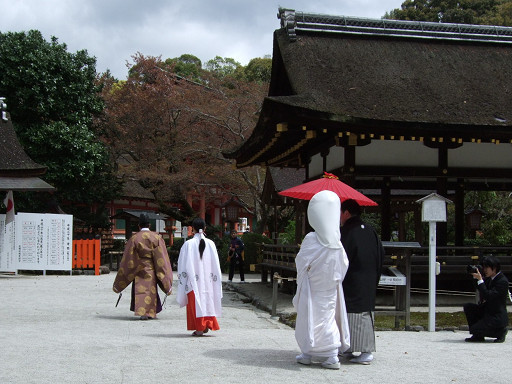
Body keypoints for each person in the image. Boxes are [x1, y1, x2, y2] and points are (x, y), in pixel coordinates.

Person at [293, 190, 350, 370]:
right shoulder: (337, 242)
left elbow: (301, 261)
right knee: (327, 317)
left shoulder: (311, 238)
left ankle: (313, 353)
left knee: (310, 317)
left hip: (312, 287)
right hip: (330, 287)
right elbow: (344, 265)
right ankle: (329, 355)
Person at [340, 198, 384, 365]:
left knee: (355, 314)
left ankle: (365, 351)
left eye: (340, 213)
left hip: (352, 278)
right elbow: (381, 254)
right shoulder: (370, 230)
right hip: (369, 278)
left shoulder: (347, 232)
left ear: (346, 213)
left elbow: (342, 257)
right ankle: (349, 348)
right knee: (363, 312)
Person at [113, 213, 173, 320]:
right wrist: (166, 279)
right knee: (151, 290)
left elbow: (128, 259)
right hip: (152, 268)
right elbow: (162, 259)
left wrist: (121, 279)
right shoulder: (157, 238)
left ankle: (143, 312)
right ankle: (151, 311)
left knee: (140, 289)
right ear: (149, 225)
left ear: (139, 225)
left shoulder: (134, 238)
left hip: (138, 268)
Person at [177, 218, 222, 336]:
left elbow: (182, 264)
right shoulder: (211, 243)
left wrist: (183, 278)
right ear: (205, 228)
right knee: (208, 301)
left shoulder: (188, 244)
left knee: (195, 303)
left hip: (193, 281)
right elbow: (216, 264)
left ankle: (199, 328)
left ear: (193, 229)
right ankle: (207, 323)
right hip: (208, 281)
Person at [463, 255, 510, 343]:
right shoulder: (490, 278)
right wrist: (475, 277)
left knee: (475, 329)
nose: (484, 270)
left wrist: (480, 280)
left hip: (496, 316)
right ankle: (478, 336)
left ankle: (500, 332)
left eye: (486, 268)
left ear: (494, 267)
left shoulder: (502, 281)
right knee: (468, 307)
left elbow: (488, 295)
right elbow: (480, 288)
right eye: (483, 267)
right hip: (487, 311)